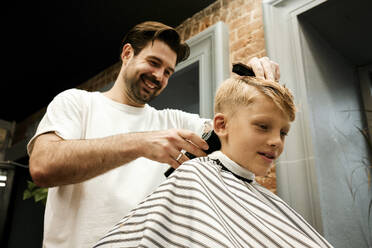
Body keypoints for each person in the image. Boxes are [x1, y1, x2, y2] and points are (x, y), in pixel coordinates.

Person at [28, 21, 281, 247]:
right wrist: (141, 143)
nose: (159, 76)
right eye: (154, 63)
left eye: (168, 71)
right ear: (127, 54)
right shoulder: (77, 103)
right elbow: (43, 166)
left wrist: (256, 88)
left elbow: (237, 138)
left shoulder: (175, 121)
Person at [94, 75, 334, 248]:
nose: (276, 142)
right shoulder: (194, 177)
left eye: (283, 132)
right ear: (221, 125)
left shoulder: (266, 200)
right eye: (263, 126)